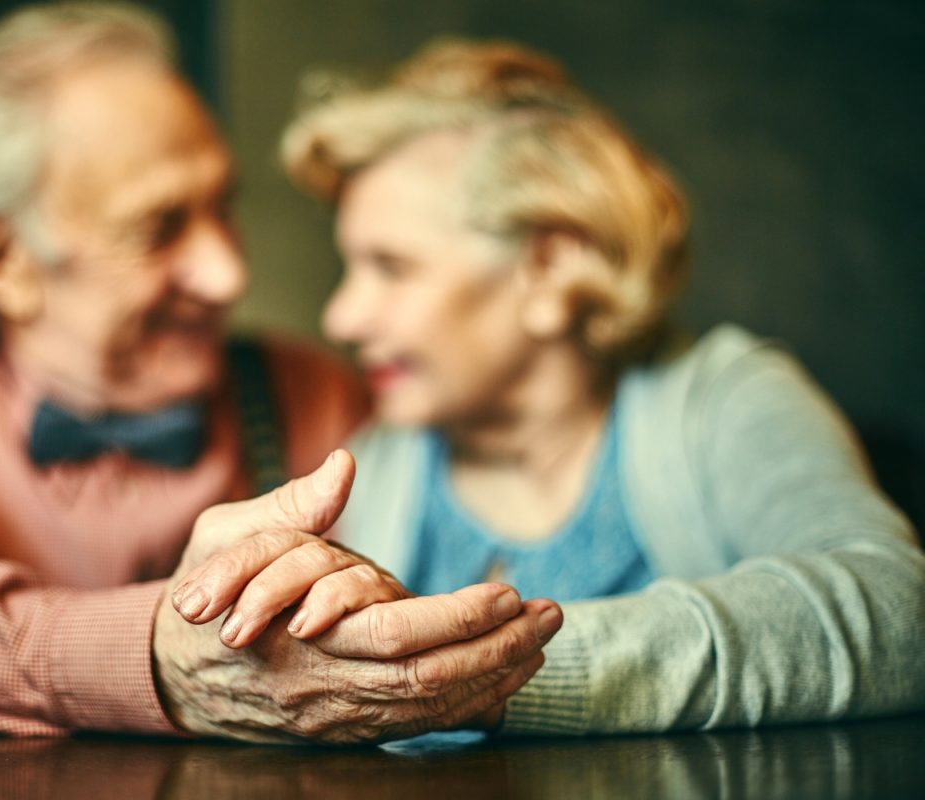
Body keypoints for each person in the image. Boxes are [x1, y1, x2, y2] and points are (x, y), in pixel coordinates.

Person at [0, 6, 562, 743]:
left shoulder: (312, 393)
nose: (226, 272)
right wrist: (148, 657)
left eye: (222, 208)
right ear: (1, 259)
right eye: (160, 226)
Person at [173, 39, 925, 734]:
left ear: (552, 266)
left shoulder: (723, 399)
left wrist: (499, 674)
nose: (341, 315)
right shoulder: (381, 461)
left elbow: (901, 614)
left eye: (391, 267)